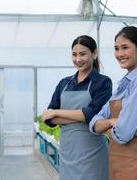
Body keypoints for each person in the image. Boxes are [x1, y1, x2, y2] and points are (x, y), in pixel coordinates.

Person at [89, 26, 137, 180]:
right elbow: (94, 123)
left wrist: (108, 125)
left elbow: (123, 133)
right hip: (120, 163)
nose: (120, 54)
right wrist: (111, 121)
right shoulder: (125, 83)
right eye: (116, 49)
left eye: (125, 48)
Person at [41, 35, 112, 180]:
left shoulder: (103, 82)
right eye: (74, 54)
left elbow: (92, 114)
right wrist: (81, 116)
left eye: (83, 54)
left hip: (93, 153)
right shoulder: (64, 83)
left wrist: (57, 113)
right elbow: (48, 119)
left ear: (94, 54)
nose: (78, 59)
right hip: (68, 153)